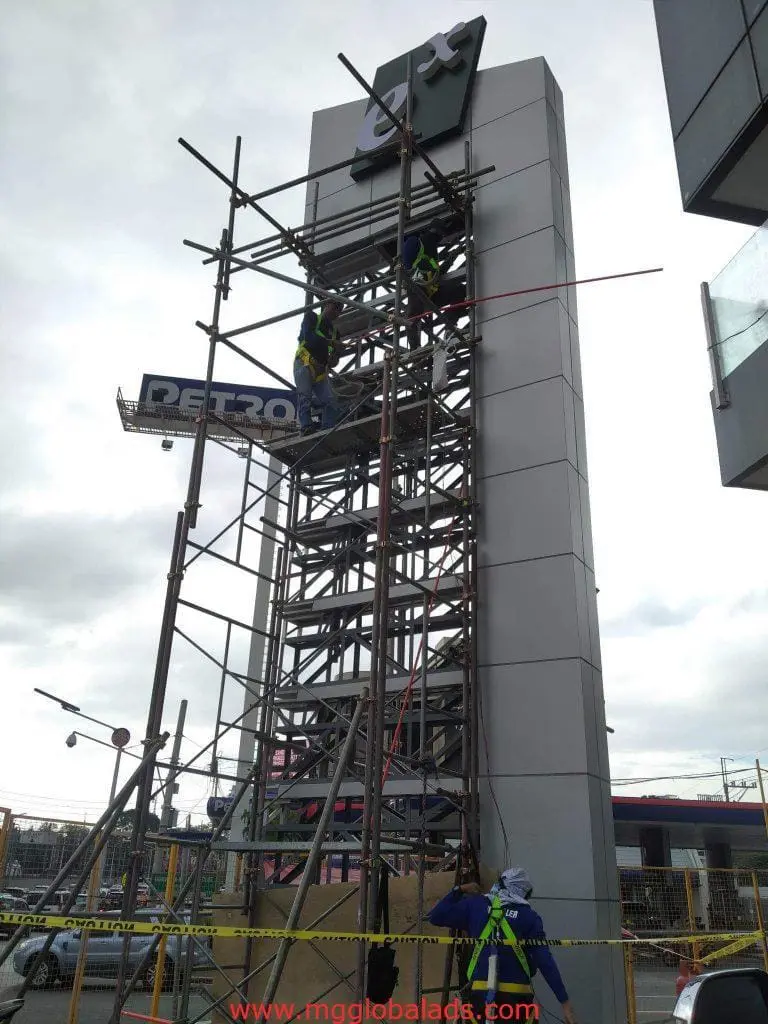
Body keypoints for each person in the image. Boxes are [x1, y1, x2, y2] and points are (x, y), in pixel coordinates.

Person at [428, 867, 578, 1024]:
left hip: (480, 1001)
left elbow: (436, 916)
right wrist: (565, 1003)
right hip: (516, 1005)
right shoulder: (529, 917)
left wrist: (460, 889)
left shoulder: (475, 906)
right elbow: (545, 961)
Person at [402, 218, 466, 351]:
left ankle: (450, 328)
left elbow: (437, 273)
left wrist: (452, 257)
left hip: (431, 292)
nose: (441, 237)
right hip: (418, 287)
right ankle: (415, 349)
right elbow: (411, 268)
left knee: (460, 290)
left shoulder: (431, 251)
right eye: (441, 234)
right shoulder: (421, 243)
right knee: (414, 315)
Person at [294, 298, 344, 435]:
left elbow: (334, 362)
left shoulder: (335, 333)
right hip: (304, 362)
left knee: (331, 401)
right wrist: (331, 343)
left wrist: (335, 356)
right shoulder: (311, 317)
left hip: (321, 370)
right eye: (335, 308)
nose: (336, 313)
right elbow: (309, 338)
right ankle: (306, 427)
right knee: (305, 396)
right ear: (326, 306)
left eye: (339, 311)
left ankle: (327, 429)